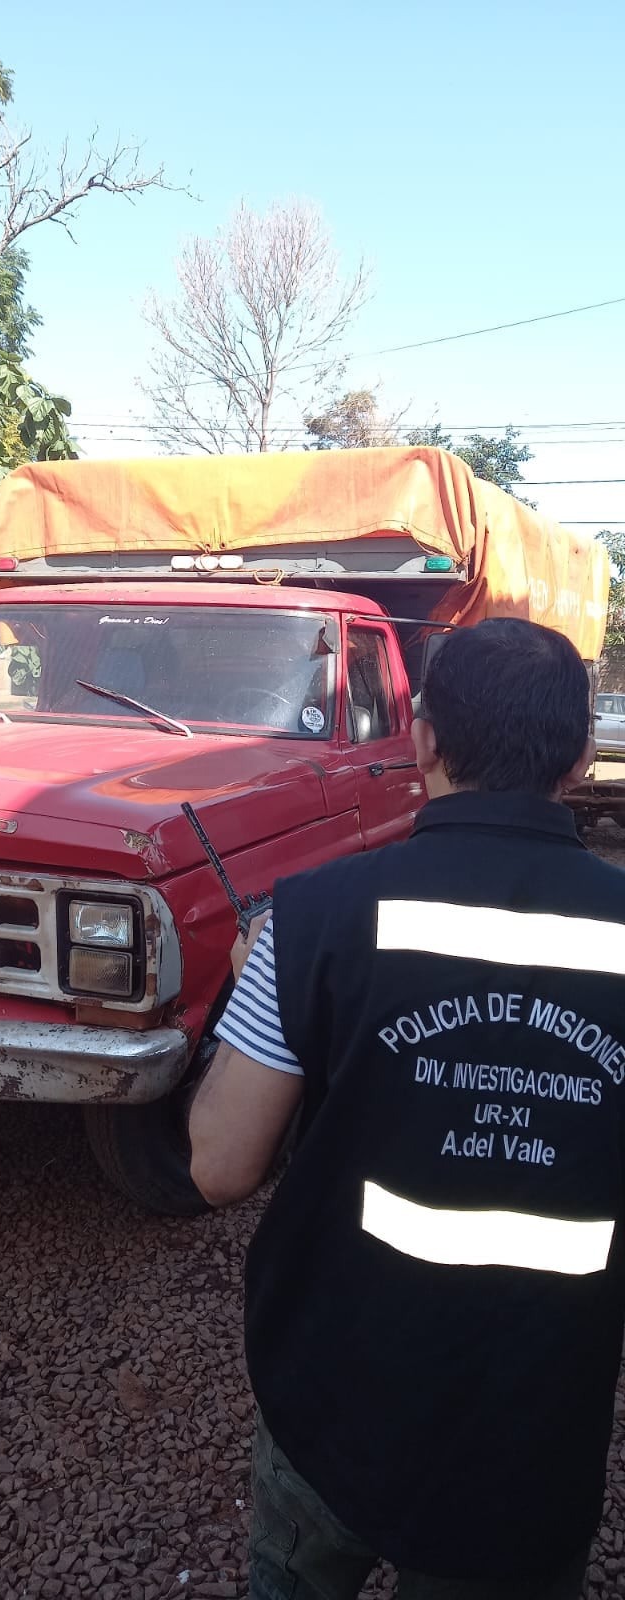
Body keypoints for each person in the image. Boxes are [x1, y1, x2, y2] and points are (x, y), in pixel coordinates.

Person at [188, 616, 625, 1600]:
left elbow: (217, 1164)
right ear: (581, 756)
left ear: (423, 739)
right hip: (536, 1432)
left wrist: (264, 988)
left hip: (331, 1409)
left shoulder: (306, 918)